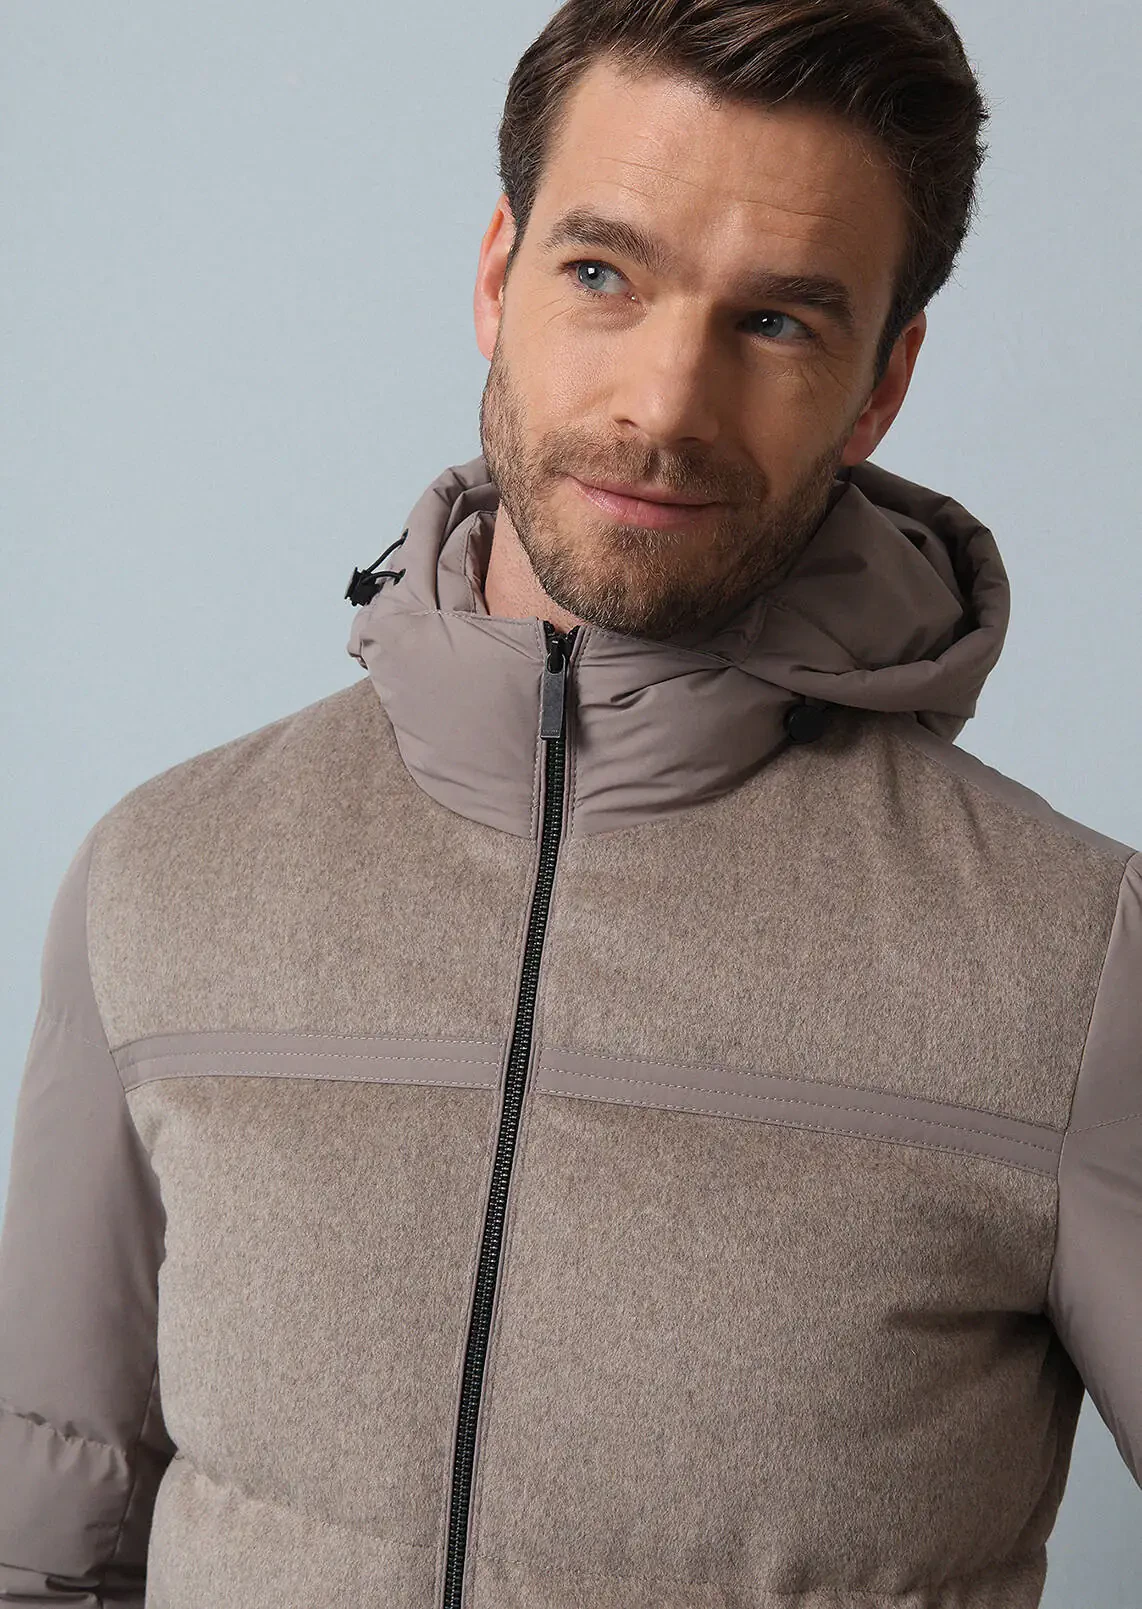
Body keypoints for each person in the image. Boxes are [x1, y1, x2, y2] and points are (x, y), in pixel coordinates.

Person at [1, 0, 1138, 1604]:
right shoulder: (166, 871)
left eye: (776, 322)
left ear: (881, 384)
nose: (663, 407)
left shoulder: (1077, 961)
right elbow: (44, 1547)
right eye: (602, 273)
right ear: (497, 273)